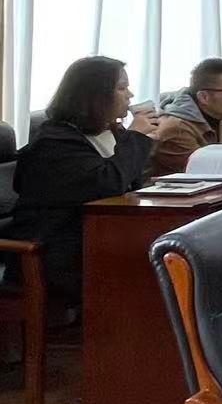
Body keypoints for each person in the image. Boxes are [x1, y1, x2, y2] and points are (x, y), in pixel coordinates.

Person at [12, 56, 155, 304]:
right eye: (122, 88)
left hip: (93, 241)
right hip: (54, 253)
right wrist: (136, 138)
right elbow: (107, 184)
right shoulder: (55, 143)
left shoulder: (105, 132)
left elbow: (128, 186)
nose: (130, 95)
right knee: (146, 269)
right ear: (95, 96)